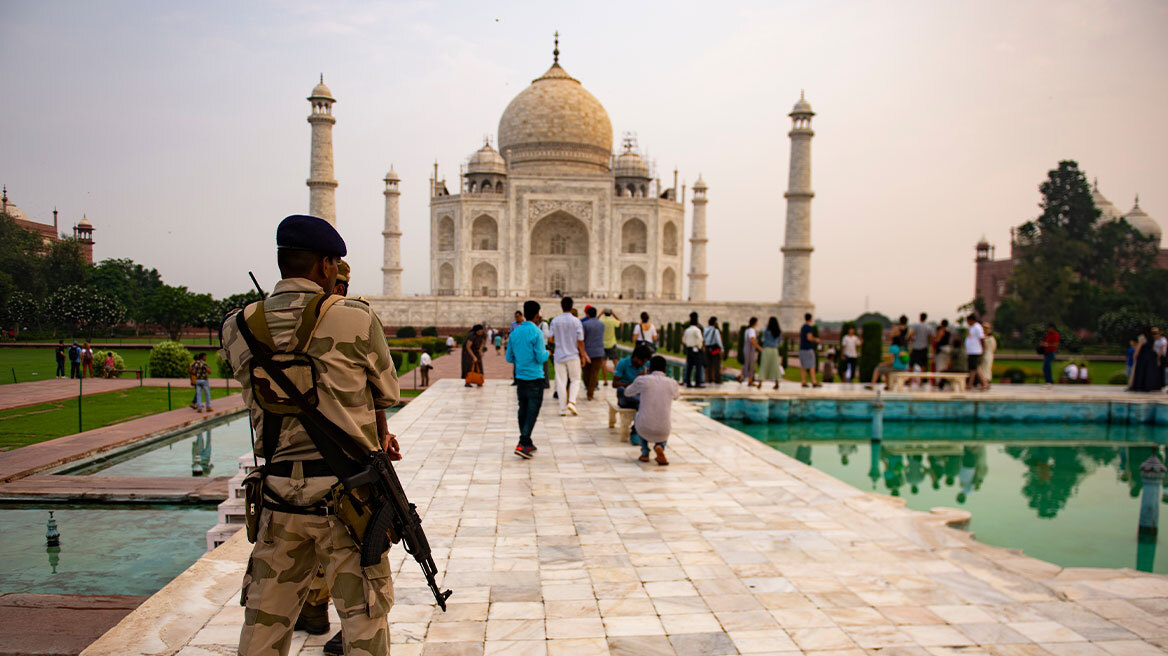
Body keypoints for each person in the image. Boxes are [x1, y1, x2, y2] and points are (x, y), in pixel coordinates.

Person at [219, 214, 399, 656]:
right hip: (347, 499)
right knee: (364, 624)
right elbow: (388, 390)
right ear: (326, 266)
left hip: (278, 497)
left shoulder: (236, 327)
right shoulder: (355, 319)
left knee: (264, 624)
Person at [505, 300, 550, 458]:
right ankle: (523, 443)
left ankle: (527, 442)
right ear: (537, 314)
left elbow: (509, 358)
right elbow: (540, 358)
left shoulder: (515, 332)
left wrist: (521, 359)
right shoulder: (537, 333)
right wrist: (548, 353)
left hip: (520, 378)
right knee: (532, 410)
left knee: (522, 409)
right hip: (535, 377)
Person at [622, 355, 679, 465]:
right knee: (664, 421)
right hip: (663, 430)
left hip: (644, 427)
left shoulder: (643, 380)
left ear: (650, 368)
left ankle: (645, 453)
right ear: (665, 369)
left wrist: (637, 381)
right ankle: (660, 446)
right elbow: (676, 396)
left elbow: (627, 392)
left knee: (638, 415)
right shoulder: (672, 383)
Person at [549, 296, 588, 416]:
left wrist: (560, 341)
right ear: (572, 306)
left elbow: (550, 339)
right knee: (575, 379)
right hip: (572, 355)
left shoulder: (555, 321)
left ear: (561, 306)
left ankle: (562, 409)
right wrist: (583, 355)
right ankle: (571, 401)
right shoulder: (576, 321)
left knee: (561, 382)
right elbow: (580, 341)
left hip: (559, 355)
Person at [580, 306, 606, 400]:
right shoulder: (602, 324)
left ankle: (589, 390)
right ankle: (590, 392)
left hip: (588, 351)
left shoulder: (585, 324)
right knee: (594, 373)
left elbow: (583, 338)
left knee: (586, 372)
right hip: (599, 351)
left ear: (587, 314)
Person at [1130, 326, 1164, 392]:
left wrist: (1135, 355)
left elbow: (1139, 347)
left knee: (1141, 371)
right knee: (1149, 372)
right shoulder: (1152, 338)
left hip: (1143, 356)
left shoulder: (1142, 337)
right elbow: (1153, 347)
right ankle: (1149, 386)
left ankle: (1140, 386)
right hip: (1151, 356)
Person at [757, 317, 784, 390]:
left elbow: (762, 339)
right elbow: (780, 342)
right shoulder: (778, 331)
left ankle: (760, 383)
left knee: (764, 366)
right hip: (775, 350)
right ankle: (777, 383)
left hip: (767, 349)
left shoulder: (766, 329)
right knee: (775, 367)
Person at [681, 312, 705, 388]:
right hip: (696, 349)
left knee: (689, 366)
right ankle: (698, 383)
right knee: (698, 366)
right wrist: (700, 347)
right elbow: (700, 339)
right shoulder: (697, 330)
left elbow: (683, 340)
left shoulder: (687, 330)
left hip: (689, 349)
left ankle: (688, 382)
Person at [907, 313, 934, 381]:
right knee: (923, 365)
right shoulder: (929, 327)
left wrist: (912, 340)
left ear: (920, 317)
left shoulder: (916, 325)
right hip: (924, 347)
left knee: (911, 364)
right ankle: (921, 381)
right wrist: (928, 342)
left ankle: (910, 380)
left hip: (916, 347)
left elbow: (911, 334)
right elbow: (932, 337)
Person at [798, 313, 822, 388]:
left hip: (802, 349)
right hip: (808, 349)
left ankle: (803, 381)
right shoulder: (809, 327)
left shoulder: (803, 327)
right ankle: (814, 381)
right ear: (810, 319)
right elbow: (809, 337)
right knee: (812, 365)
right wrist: (816, 340)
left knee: (803, 366)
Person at [599, 308, 621, 387]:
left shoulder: (601, 320)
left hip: (602, 344)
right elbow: (620, 322)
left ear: (604, 313)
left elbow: (594, 321)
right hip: (612, 344)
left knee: (603, 364)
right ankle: (619, 378)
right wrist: (614, 314)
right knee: (616, 363)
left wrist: (601, 313)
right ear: (610, 314)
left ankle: (605, 380)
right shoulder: (612, 320)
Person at [965, 314, 986, 391]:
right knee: (975, 368)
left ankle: (971, 384)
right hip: (971, 351)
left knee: (973, 369)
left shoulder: (977, 327)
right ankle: (983, 383)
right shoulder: (972, 328)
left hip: (975, 351)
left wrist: (983, 348)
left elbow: (982, 338)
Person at [738, 317, 761, 386]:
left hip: (747, 349)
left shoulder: (747, 330)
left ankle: (745, 378)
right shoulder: (751, 330)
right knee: (749, 365)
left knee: (748, 365)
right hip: (750, 349)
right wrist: (759, 347)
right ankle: (746, 379)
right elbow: (752, 340)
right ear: (755, 322)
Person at [703, 317, 724, 385]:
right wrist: (722, 349)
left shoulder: (705, 330)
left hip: (707, 348)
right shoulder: (716, 331)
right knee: (716, 364)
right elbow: (718, 341)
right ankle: (717, 379)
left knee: (709, 364)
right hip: (715, 349)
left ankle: (709, 379)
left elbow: (703, 339)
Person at [977, 322, 997, 390]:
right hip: (987, 355)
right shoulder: (987, 338)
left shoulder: (990, 339)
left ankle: (985, 383)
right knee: (984, 369)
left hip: (987, 355)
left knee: (986, 370)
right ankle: (985, 383)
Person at [1040, 323, 1060, 387]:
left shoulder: (1055, 335)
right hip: (1046, 353)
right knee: (1045, 367)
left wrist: (1046, 344)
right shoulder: (1048, 335)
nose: (1048, 329)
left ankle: (1049, 381)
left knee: (1047, 366)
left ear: (1052, 328)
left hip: (1051, 352)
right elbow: (1045, 342)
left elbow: (1055, 344)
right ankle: (1047, 381)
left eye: (1049, 328)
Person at [510, 310, 523, 385]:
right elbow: (511, 334)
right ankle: (516, 380)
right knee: (515, 364)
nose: (517, 318)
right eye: (515, 317)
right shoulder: (513, 324)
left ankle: (522, 380)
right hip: (516, 347)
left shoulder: (525, 324)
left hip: (524, 346)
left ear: (521, 316)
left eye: (518, 317)